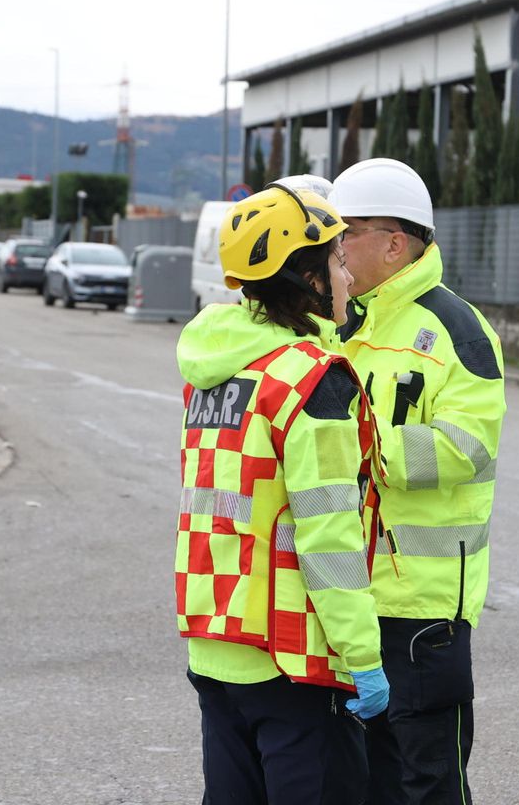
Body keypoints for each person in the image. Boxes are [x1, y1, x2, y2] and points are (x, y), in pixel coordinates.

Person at [176, 183, 389, 804]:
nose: (349, 276)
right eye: (338, 260)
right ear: (308, 277)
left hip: (216, 644)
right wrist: (362, 655)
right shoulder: (312, 380)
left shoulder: (214, 372)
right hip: (290, 656)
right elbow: (329, 533)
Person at [328, 157, 505, 805]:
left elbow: (471, 447)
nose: (337, 248)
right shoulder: (345, 323)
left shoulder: (458, 330)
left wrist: (363, 447)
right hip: (346, 596)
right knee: (355, 781)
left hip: (423, 614)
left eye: (347, 232)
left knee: (425, 784)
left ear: (394, 242)